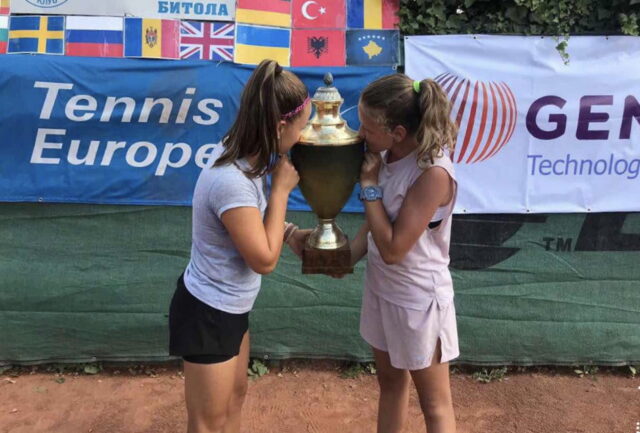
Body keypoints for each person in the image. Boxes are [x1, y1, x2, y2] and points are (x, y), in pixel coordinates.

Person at [168, 59, 311, 433]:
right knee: (207, 423)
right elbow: (263, 260)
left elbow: (249, 222)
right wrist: (281, 192)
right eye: (302, 126)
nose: (304, 136)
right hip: (208, 312)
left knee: (234, 399)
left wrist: (289, 233)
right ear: (279, 127)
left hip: (231, 307)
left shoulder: (249, 159)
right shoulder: (230, 180)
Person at [349, 74, 460, 433]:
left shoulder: (434, 173)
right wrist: (346, 257)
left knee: (434, 404)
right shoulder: (385, 154)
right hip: (382, 288)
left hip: (418, 299)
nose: (360, 134)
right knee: (391, 384)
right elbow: (378, 223)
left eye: (367, 128)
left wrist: (369, 187)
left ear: (397, 132)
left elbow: (394, 248)